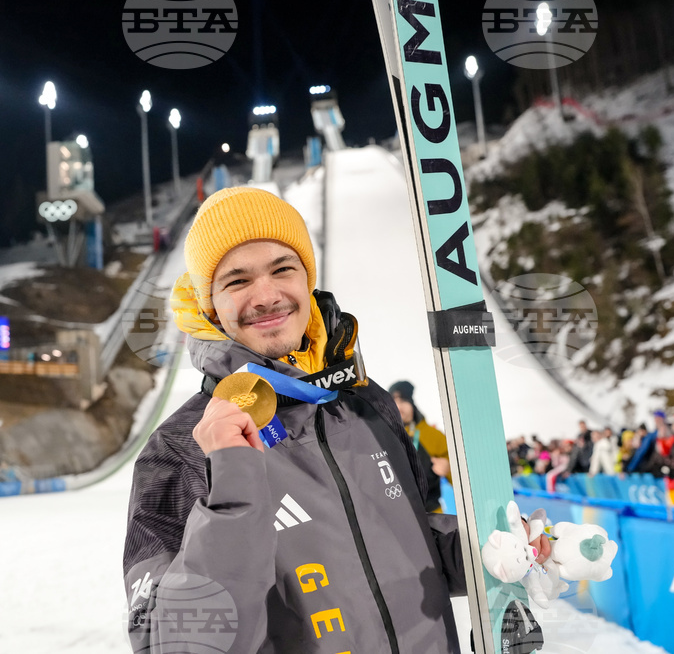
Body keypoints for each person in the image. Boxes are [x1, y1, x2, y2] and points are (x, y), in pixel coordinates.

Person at [122, 187, 548, 654]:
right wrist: (233, 490)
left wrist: (485, 551)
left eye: (283, 268)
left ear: (307, 279)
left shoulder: (367, 403)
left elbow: (406, 540)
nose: (266, 295)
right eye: (237, 280)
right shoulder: (179, 450)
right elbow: (171, 644)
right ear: (209, 305)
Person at [389, 380, 451, 512]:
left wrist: (448, 466)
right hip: (399, 513)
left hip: (432, 513)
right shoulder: (383, 434)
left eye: (403, 401)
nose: (399, 407)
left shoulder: (430, 434)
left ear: (412, 403)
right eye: (394, 402)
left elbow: (461, 472)